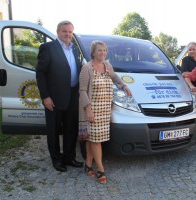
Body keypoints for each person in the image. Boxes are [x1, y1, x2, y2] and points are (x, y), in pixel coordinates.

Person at [78, 40, 132, 184]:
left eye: (104, 50)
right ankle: (101, 169)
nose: (102, 53)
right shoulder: (87, 68)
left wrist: (123, 85)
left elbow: (114, 78)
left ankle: (88, 165)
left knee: (93, 138)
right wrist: (88, 109)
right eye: (99, 50)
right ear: (93, 52)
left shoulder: (107, 66)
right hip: (92, 109)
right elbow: (82, 91)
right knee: (96, 140)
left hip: (105, 109)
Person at [36, 20, 83, 172]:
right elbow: (40, 73)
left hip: (72, 96)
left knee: (71, 129)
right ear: (58, 32)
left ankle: (69, 157)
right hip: (54, 98)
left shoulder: (75, 49)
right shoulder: (48, 48)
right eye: (64, 31)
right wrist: (45, 97)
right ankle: (56, 159)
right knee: (54, 130)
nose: (67, 34)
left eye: (70, 31)